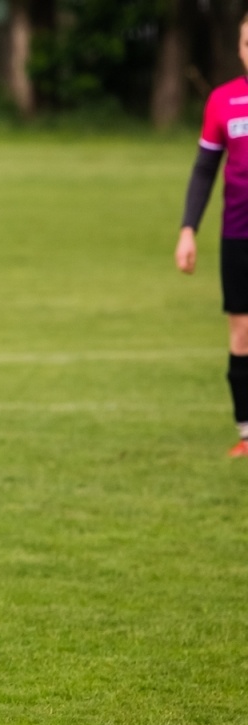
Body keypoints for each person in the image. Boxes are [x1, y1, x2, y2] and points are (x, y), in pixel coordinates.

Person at [176, 12, 248, 457]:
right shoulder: (223, 101)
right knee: (241, 333)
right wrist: (188, 230)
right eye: (247, 42)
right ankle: (247, 432)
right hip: (237, 236)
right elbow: (205, 171)